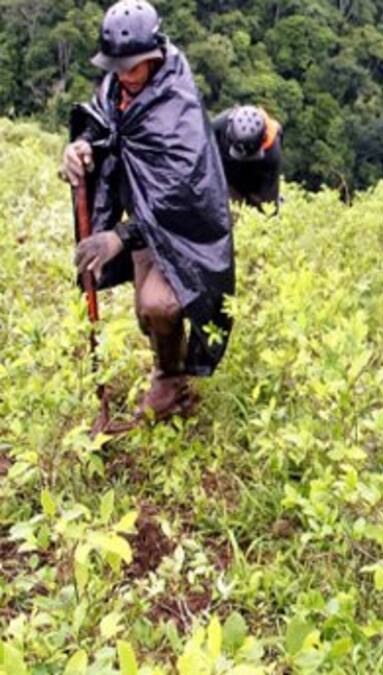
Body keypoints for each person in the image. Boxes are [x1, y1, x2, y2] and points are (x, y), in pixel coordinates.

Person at [60, 0, 234, 425]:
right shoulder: (118, 85)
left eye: (132, 66)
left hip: (183, 230)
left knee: (160, 304)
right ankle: (165, 360)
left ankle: (172, 382)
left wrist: (120, 235)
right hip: (141, 217)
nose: (123, 75)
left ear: (154, 56)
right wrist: (81, 146)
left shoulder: (177, 108)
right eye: (116, 67)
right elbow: (102, 125)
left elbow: (181, 196)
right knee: (145, 310)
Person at [212, 105, 284, 213]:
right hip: (223, 173)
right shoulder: (219, 124)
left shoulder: (272, 152)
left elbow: (269, 199)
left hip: (254, 181)